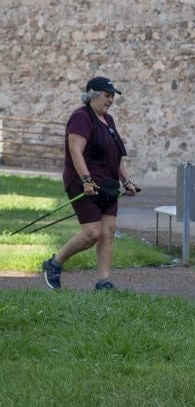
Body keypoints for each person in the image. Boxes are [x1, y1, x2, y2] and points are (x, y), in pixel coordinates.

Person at [41, 76, 141, 292]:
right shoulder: (81, 117)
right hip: (82, 183)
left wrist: (127, 181)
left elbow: (115, 157)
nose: (110, 100)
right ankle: (54, 263)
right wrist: (86, 180)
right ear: (92, 95)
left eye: (112, 96)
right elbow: (75, 151)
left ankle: (103, 281)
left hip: (107, 185)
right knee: (92, 233)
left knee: (108, 230)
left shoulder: (109, 120)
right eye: (107, 95)